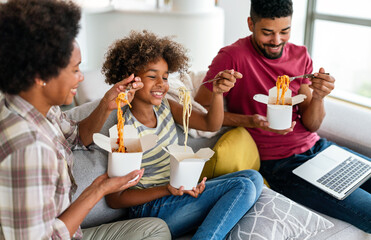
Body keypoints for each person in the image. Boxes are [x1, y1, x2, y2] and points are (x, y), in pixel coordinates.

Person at [195, 0, 371, 233]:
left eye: (284, 31)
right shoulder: (232, 56)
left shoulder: (301, 55)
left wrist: (318, 96)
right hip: (281, 166)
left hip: (319, 149)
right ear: (251, 24)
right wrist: (249, 120)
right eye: (267, 33)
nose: (276, 41)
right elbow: (201, 104)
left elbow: (311, 124)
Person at [0, 0, 171, 239]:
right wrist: (98, 190)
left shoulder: (34, 106)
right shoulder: (29, 148)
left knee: (155, 229)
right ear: (40, 74)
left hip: (69, 230)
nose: (81, 78)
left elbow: (78, 137)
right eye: (75, 69)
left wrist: (106, 104)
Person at [101, 30, 263, 239]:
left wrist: (217, 93)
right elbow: (116, 199)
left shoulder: (167, 107)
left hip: (177, 196)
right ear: (131, 78)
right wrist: (168, 189)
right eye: (152, 76)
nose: (162, 83)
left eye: (165, 77)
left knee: (253, 177)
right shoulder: (126, 128)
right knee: (242, 186)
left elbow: (210, 124)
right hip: (150, 209)